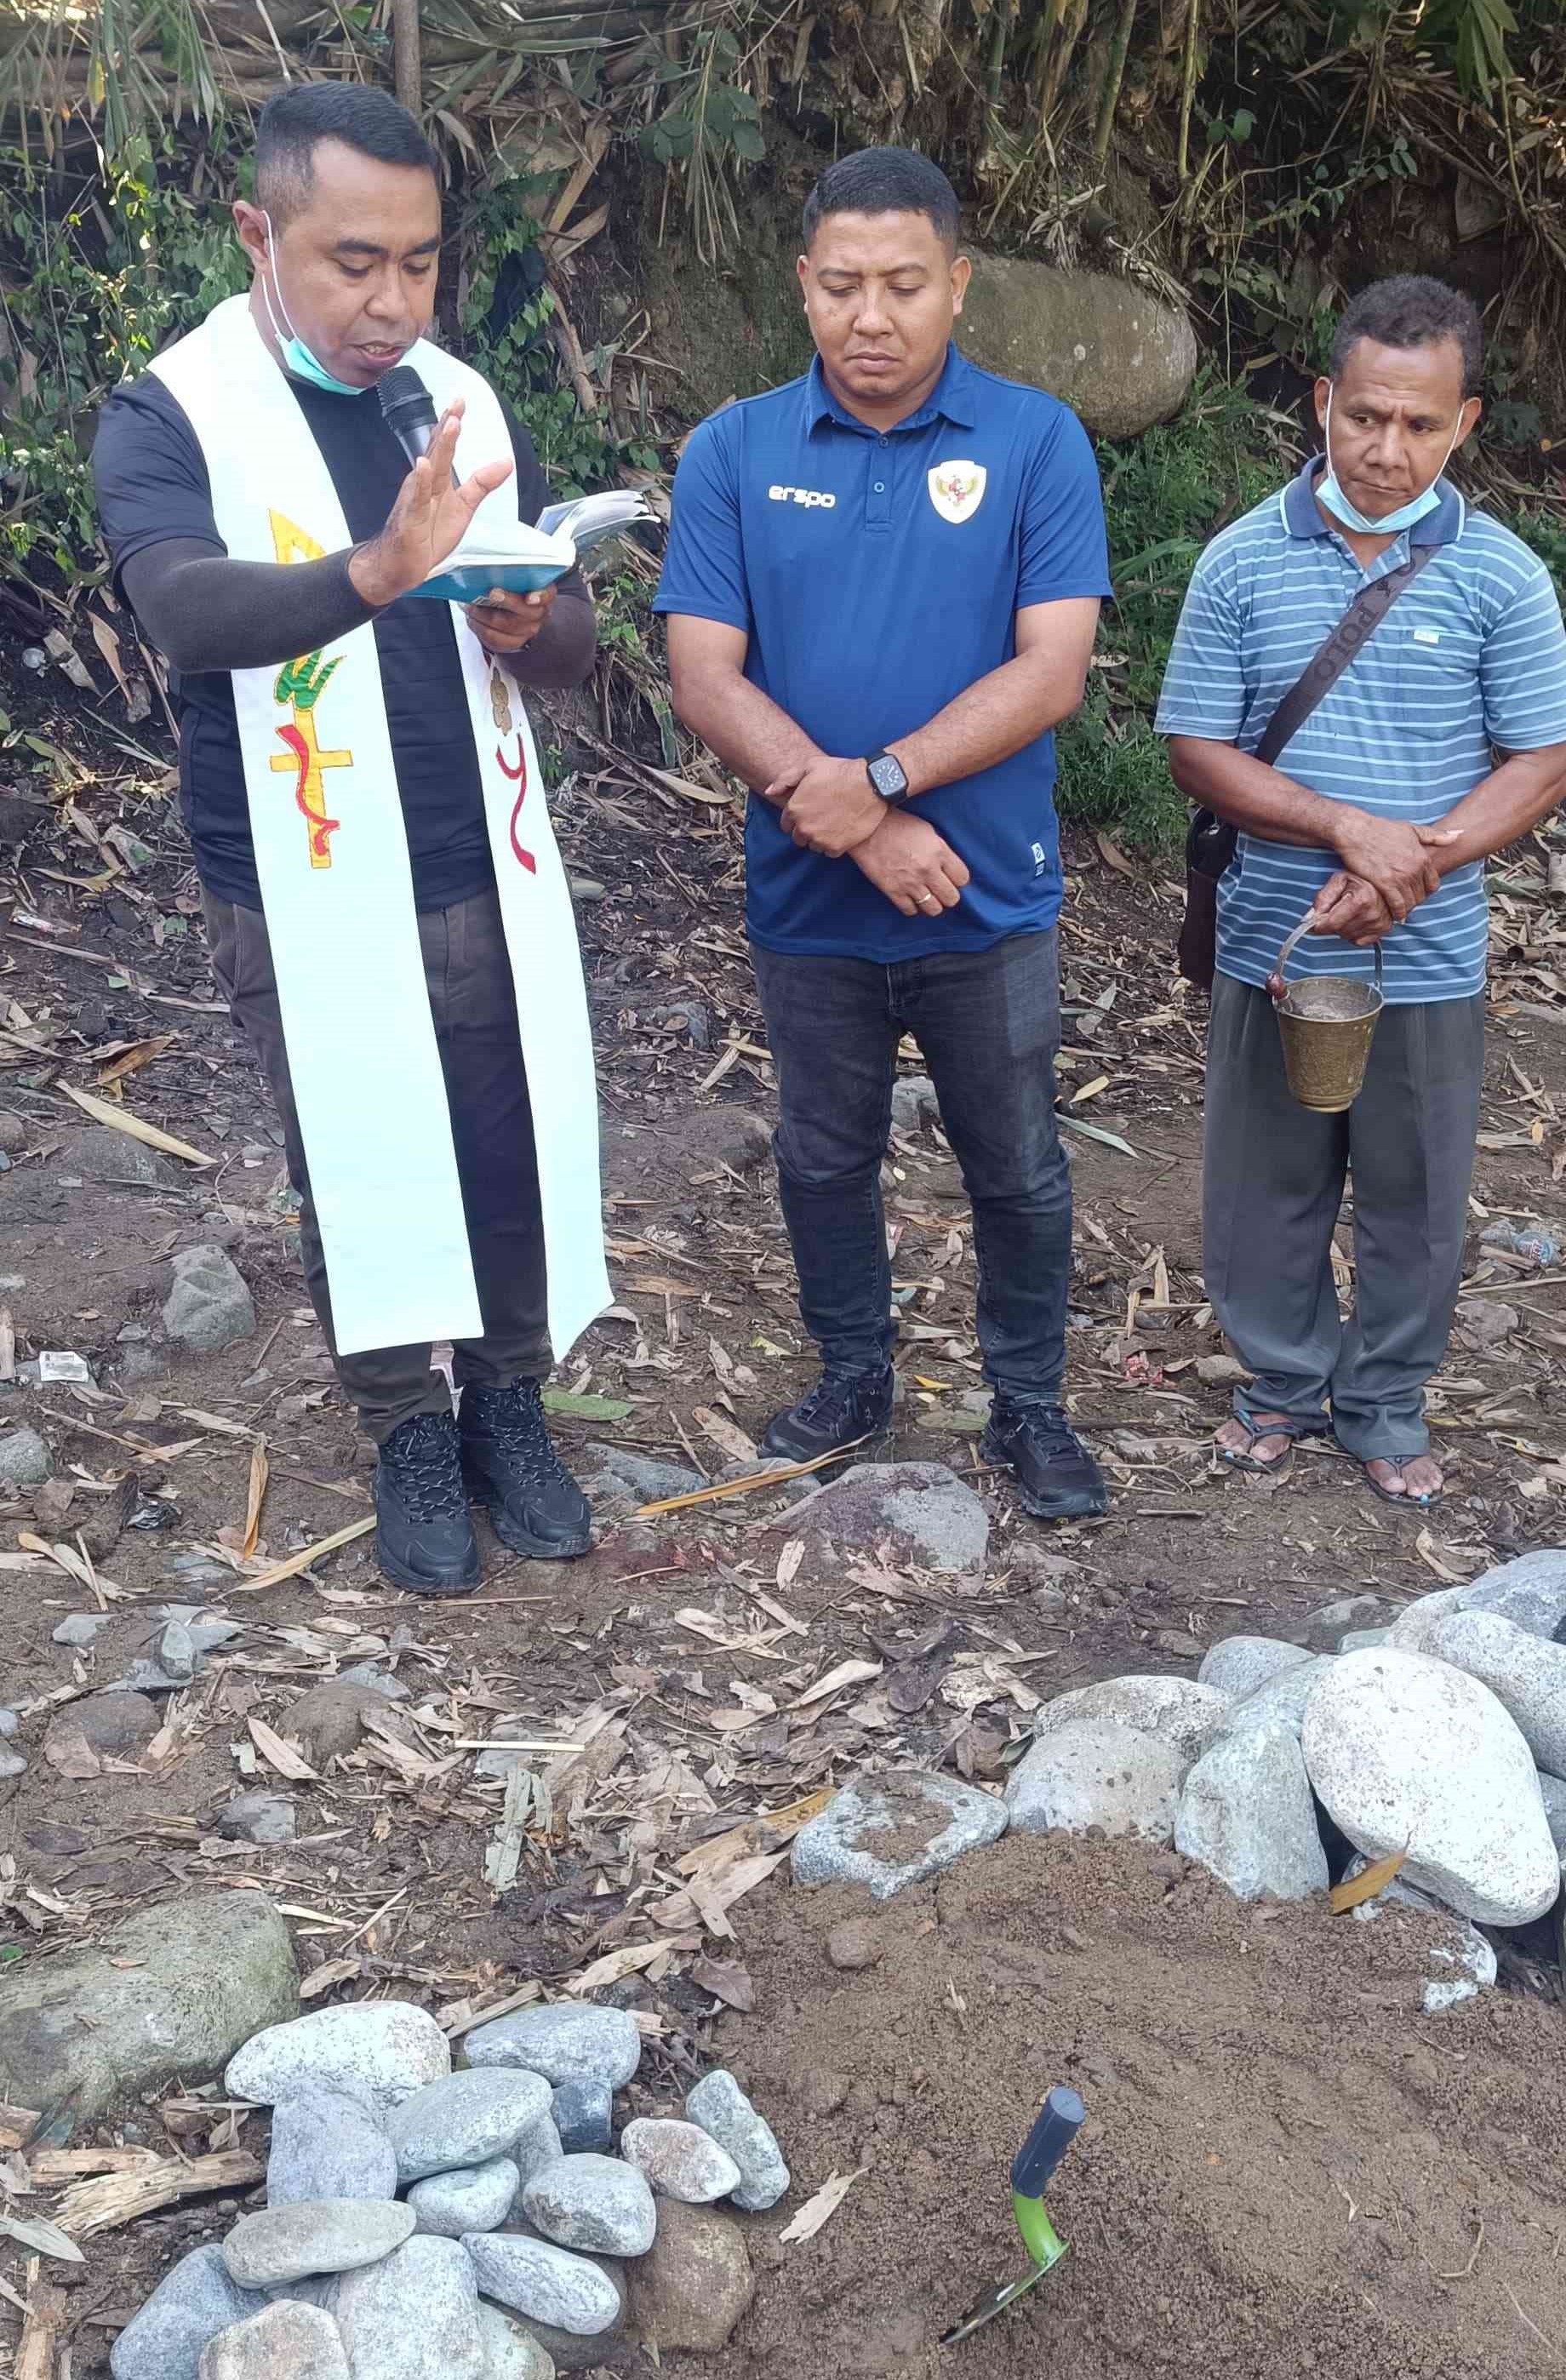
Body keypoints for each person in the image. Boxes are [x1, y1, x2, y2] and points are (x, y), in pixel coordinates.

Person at [94, 83, 610, 1594]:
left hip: (477, 859)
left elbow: (571, 642)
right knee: (355, 1142)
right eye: (350, 260)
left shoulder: (446, 399)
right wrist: (380, 568)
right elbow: (183, 607)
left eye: (421, 261)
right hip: (295, 872)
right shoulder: (171, 410)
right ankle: (403, 1423)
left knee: (504, 1137)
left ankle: (509, 1404)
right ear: (259, 234)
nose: (392, 302)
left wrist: (535, 617)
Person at [654, 147, 1112, 1520]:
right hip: (813, 899)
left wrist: (891, 778)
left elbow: (1054, 670)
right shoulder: (736, 448)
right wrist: (857, 827)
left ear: (957, 285)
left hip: (988, 894)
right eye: (843, 285)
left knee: (1016, 1162)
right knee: (821, 1153)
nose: (873, 316)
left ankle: (1029, 1403)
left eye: (905, 284)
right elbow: (702, 674)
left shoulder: (1034, 442)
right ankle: (855, 1373)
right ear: (802, 287)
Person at [1157, 274, 1566, 1507]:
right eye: (1366, 417)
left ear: (1465, 424)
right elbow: (1196, 747)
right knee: (1265, 1176)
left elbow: (1542, 759)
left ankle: (1384, 1403)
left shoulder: (1503, 578)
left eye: (1420, 425)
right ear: (1325, 401)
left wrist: (1419, 860)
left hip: (1429, 948)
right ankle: (1281, 1385)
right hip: (1271, 939)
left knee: (1416, 1187)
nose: (1388, 450)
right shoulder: (1242, 561)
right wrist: (1344, 826)